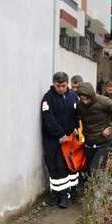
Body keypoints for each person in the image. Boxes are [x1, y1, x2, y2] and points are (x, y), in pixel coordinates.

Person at [41, 71, 80, 208]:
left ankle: (64, 196)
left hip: (68, 139)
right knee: (52, 167)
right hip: (52, 139)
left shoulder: (72, 96)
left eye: (63, 86)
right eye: (59, 86)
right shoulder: (48, 98)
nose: (61, 88)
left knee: (63, 167)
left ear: (67, 84)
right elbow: (48, 119)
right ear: (54, 84)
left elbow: (77, 113)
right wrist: (60, 134)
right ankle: (55, 195)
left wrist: (76, 127)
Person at [75, 82, 112, 172]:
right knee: (89, 171)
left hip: (104, 142)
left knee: (94, 170)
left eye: (87, 99)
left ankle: (101, 185)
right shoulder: (79, 105)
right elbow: (75, 118)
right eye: (82, 99)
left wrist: (110, 127)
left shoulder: (104, 102)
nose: (85, 102)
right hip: (89, 143)